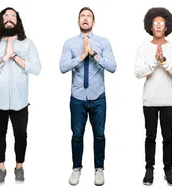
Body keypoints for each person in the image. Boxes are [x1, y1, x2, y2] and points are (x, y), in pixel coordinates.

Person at [0, 7, 41, 184]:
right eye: (6, 16)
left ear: (17, 21)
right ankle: (1, 168)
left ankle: (19, 167)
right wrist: (3, 58)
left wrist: (13, 55)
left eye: (13, 16)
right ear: (1, 20)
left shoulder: (27, 44)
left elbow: (37, 69)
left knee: (21, 135)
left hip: (20, 102)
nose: (9, 18)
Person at [59, 7, 116, 186]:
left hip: (98, 97)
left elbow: (113, 66)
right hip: (77, 98)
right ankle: (76, 169)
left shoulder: (103, 42)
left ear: (93, 22)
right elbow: (62, 67)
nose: (85, 19)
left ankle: (99, 169)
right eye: (82, 16)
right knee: (77, 135)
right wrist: (82, 56)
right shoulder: (69, 43)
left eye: (89, 16)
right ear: (78, 21)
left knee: (99, 135)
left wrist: (93, 54)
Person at [134, 7, 172, 186]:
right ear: (150, 26)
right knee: (150, 137)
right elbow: (138, 73)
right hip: (150, 101)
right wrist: (155, 61)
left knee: (168, 137)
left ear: (167, 26)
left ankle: (168, 170)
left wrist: (164, 61)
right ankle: (149, 170)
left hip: (169, 100)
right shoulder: (143, 48)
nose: (158, 26)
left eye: (161, 23)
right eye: (155, 23)